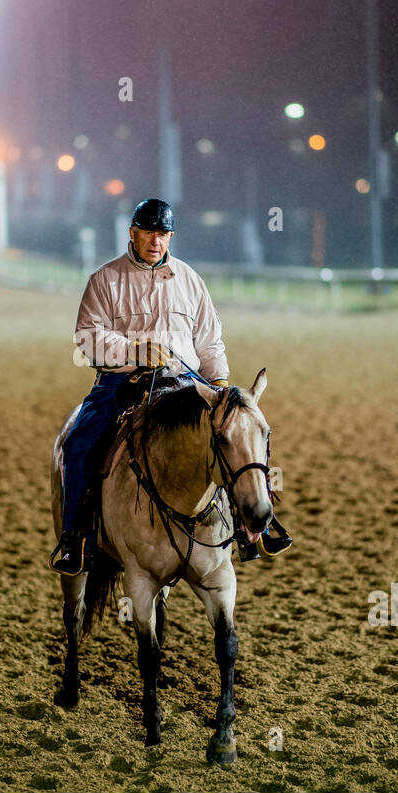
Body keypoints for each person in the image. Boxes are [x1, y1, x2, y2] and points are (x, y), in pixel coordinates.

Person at [51, 197, 292, 575]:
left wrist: (221, 385)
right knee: (79, 441)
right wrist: (134, 350)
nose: (155, 241)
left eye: (163, 234)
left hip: (185, 383)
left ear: (170, 237)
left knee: (240, 433)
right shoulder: (105, 279)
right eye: (148, 233)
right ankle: (75, 538)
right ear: (132, 233)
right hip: (122, 382)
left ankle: (254, 528)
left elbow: (209, 341)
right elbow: (87, 338)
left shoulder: (190, 280)